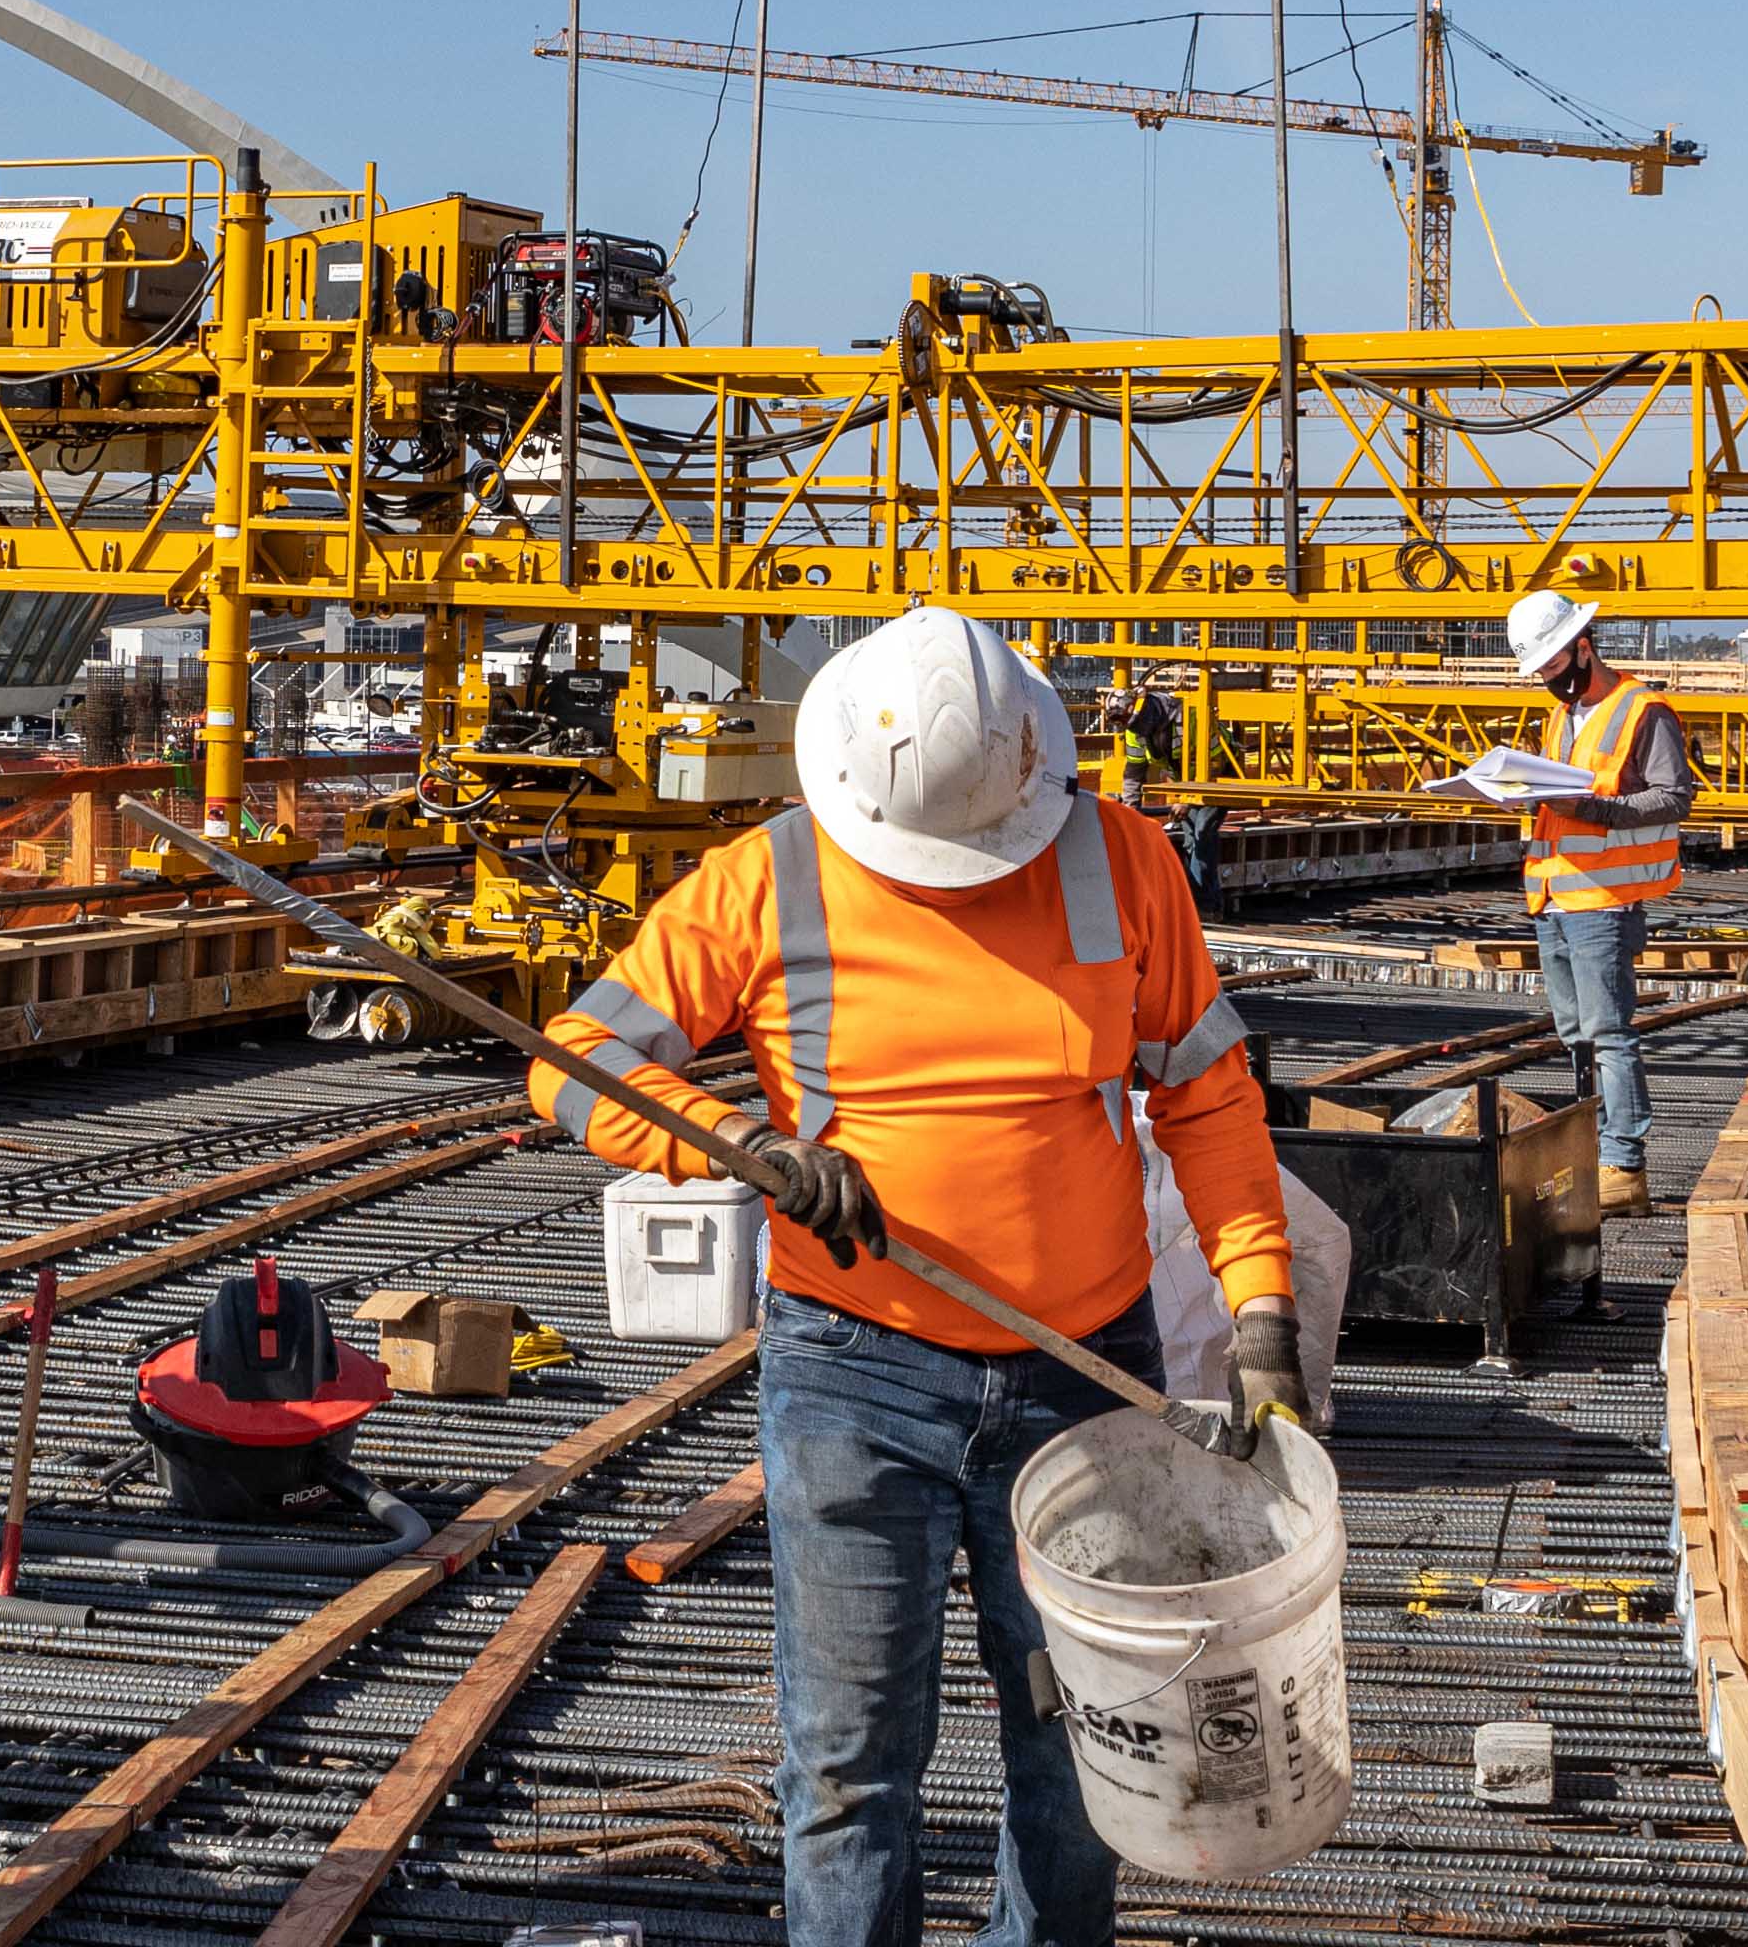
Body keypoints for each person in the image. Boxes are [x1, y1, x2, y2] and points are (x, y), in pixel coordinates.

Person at [531, 607, 1299, 1947]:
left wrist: (1263, 1309)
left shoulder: (1122, 864)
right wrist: (739, 1144)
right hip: (856, 1373)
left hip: (1081, 1377)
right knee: (848, 1760)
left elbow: (1210, 1100)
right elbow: (576, 1061)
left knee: (1081, 1749)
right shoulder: (768, 879)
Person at [1502, 590, 1695, 1218]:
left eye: (1554, 668)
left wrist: (1594, 810)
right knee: (1575, 1035)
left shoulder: (1643, 710)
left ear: (1583, 648)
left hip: (1604, 899)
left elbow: (1673, 797)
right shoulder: (1564, 715)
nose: (1549, 683)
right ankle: (1597, 1150)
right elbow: (1562, 789)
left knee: (1610, 1035)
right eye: (1541, 673)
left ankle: (1625, 1163)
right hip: (1555, 893)